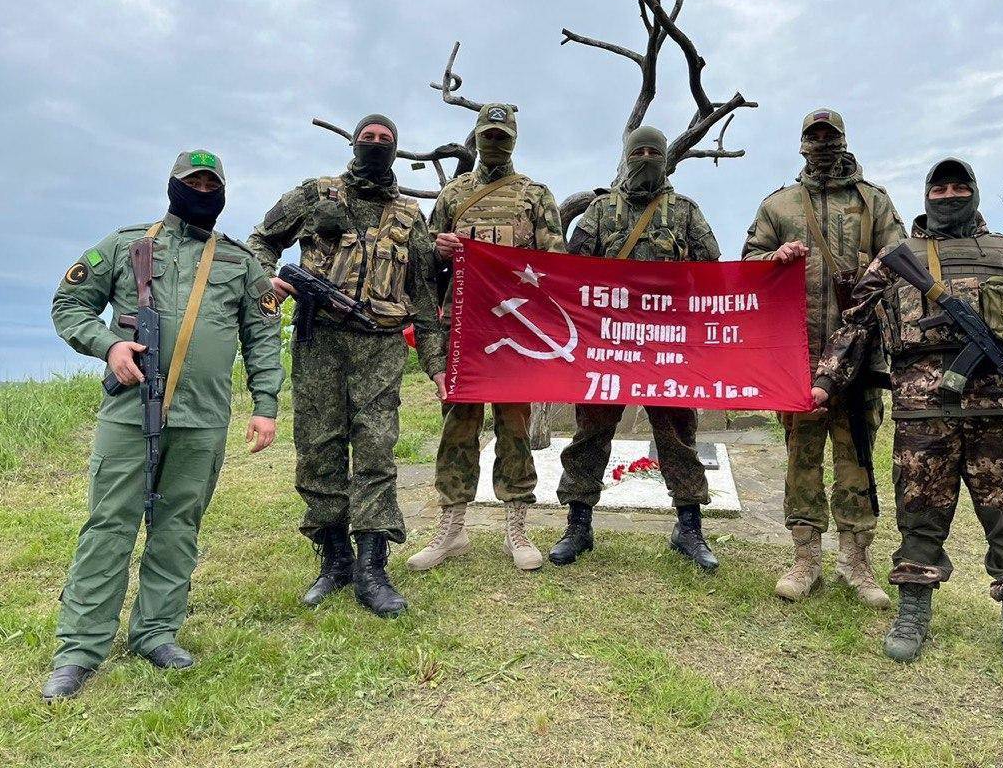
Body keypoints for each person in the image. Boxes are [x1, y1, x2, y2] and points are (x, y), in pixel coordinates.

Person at [812, 158, 1003, 676]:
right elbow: (855, 327)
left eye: (959, 186)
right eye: (939, 187)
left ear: (974, 192)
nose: (949, 195)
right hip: (922, 412)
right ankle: (912, 613)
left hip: (999, 410)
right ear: (926, 195)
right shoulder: (898, 258)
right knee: (919, 515)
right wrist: (826, 381)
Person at [45, 150, 283, 701]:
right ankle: (79, 650)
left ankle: (156, 633)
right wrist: (109, 345)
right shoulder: (125, 245)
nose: (201, 191)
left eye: (210, 184)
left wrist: (266, 404)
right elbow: (69, 304)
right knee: (110, 525)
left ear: (222, 192)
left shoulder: (240, 262)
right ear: (173, 187)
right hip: (130, 411)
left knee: (178, 526)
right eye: (191, 182)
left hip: (204, 418)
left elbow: (263, 335)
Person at [247, 115, 445, 618]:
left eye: (385, 140)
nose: (375, 145)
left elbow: (424, 295)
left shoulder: (410, 216)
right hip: (319, 342)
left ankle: (372, 567)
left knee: (376, 447)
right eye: (368, 137)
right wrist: (266, 280)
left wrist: (436, 365)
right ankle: (335, 558)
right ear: (354, 143)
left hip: (380, 345)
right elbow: (262, 239)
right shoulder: (316, 194)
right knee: (318, 446)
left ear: (396, 149)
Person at [741, 108, 905, 607]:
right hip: (798, 357)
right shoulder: (779, 205)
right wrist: (774, 259)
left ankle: (855, 561)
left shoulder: (873, 202)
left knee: (857, 458)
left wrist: (869, 270)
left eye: (829, 136)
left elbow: (902, 260)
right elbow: (749, 263)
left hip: (860, 358)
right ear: (802, 144)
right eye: (814, 137)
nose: (822, 144)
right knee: (802, 457)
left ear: (843, 140)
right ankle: (805, 559)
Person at [548, 125, 722, 570]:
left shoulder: (685, 212)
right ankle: (578, 524)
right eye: (638, 151)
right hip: (608, 345)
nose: (645, 158)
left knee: (678, 434)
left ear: (664, 159)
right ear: (626, 157)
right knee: (591, 433)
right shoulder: (599, 212)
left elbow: (712, 272)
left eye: (653, 152)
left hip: (667, 347)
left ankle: (689, 527)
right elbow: (571, 274)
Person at [406, 103, 566, 573]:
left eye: (502, 136)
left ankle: (517, 527)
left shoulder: (535, 196)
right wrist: (437, 249)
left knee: (514, 425)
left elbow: (557, 266)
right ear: (476, 138)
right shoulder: (453, 195)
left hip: (516, 330)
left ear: (513, 140)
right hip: (463, 330)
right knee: (459, 426)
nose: (494, 143)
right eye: (488, 135)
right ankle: (452, 526)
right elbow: (422, 262)